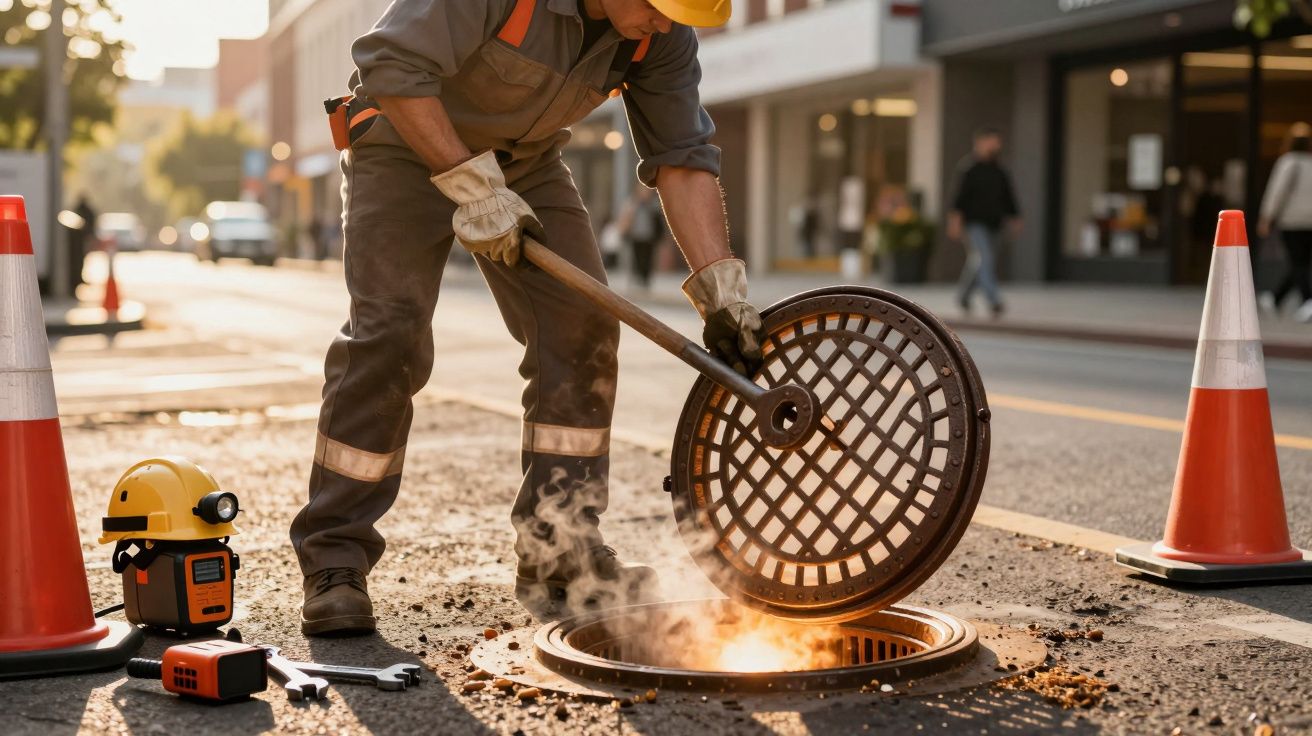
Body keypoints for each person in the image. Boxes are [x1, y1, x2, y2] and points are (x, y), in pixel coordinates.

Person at [290, 0, 766, 636]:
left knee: (583, 326)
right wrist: (471, 187)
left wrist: (721, 287)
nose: (663, 23)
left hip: (525, 161)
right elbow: (390, 65)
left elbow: (680, 154)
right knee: (391, 335)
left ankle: (558, 550)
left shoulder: (661, 34)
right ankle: (334, 557)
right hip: (404, 140)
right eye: (658, 8)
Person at [947, 128, 1021, 317]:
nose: (995, 145)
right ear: (980, 142)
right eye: (991, 141)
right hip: (974, 224)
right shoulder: (969, 168)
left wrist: (1015, 217)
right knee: (984, 258)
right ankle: (994, 300)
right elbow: (959, 198)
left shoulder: (1000, 170)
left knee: (980, 262)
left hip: (995, 223)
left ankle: (963, 296)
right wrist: (955, 221)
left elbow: (1009, 196)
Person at [1258, 122, 1312, 323]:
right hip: (1309, 222)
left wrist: (1266, 217)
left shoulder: (1288, 162)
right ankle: (1275, 298)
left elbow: (1276, 192)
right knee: (1300, 261)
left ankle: (1308, 299)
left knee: (1298, 261)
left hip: (1292, 220)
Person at [620, 185, 665, 290]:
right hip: (636, 236)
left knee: (648, 258)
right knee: (637, 257)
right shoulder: (632, 203)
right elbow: (625, 217)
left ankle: (645, 279)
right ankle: (638, 278)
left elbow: (659, 220)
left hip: (649, 236)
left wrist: (659, 235)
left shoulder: (653, 204)